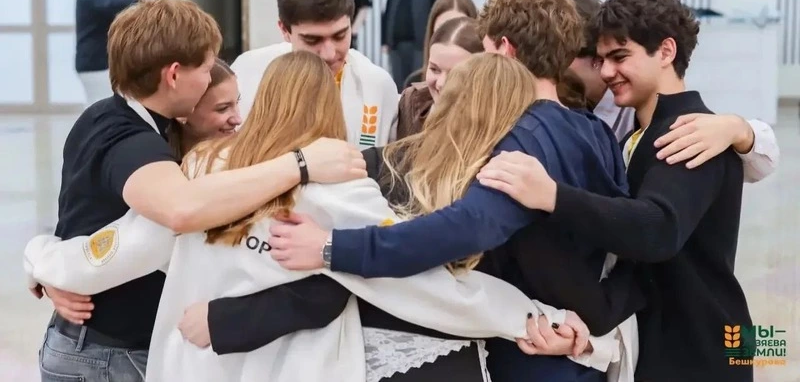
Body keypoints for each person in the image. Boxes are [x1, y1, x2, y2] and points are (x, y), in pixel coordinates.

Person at [29, 51, 607, 382]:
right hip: (291, 368)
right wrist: (534, 316)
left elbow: (111, 251)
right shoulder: (340, 186)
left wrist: (42, 261)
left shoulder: (203, 168)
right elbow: (423, 282)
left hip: (196, 365)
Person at [266, 0, 643, 381]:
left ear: (504, 50)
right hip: (579, 355)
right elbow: (622, 242)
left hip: (526, 355)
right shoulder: (596, 132)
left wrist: (331, 247)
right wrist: (597, 317)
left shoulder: (521, 138)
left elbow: (462, 229)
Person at [35, 0, 364, 382]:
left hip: (105, 346)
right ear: (174, 75)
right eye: (207, 70)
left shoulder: (115, 120)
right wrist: (301, 164)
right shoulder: (131, 140)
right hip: (106, 355)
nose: (235, 117)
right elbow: (179, 211)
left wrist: (42, 260)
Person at [477, 0, 755, 382]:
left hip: (704, 347)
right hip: (665, 342)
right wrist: (581, 328)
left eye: (620, 57)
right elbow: (634, 266)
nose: (607, 72)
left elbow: (657, 229)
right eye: (600, 59)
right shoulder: (636, 136)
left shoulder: (692, 133)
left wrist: (551, 195)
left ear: (666, 51)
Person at [26, 57, 241, 299]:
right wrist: (42, 260)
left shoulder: (104, 119)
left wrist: (38, 255)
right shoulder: (166, 176)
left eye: (237, 103)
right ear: (186, 110)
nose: (238, 118)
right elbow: (96, 262)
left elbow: (88, 268)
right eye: (222, 108)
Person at [569, 0, 779, 181]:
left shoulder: (639, 100)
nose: (607, 71)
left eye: (618, 57)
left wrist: (737, 129)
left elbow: (762, 161)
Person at [232, 0, 398, 149]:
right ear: (284, 30)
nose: (329, 54)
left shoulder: (377, 86)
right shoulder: (247, 75)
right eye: (312, 40)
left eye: (340, 36)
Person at [75, 0, 171, 106]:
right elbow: (115, 4)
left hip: (93, 62)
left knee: (99, 105)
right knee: (101, 106)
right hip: (96, 64)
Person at [396, 0, 478, 138]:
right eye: (434, 69)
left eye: (455, 72)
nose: (441, 83)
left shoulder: (496, 119)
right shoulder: (412, 102)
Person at [382, 0, 448, 90]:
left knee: (419, 84)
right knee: (399, 86)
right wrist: (385, 40)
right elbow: (388, 10)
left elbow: (442, 12)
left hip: (422, 44)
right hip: (397, 46)